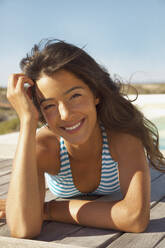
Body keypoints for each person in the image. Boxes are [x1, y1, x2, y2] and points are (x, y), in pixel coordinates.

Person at [1, 39, 165, 238]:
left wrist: (46, 210)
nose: (65, 114)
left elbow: (134, 218)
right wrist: (27, 121)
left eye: (75, 96)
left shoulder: (122, 136)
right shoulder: (44, 146)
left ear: (95, 94)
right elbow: (23, 228)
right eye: (49, 106)